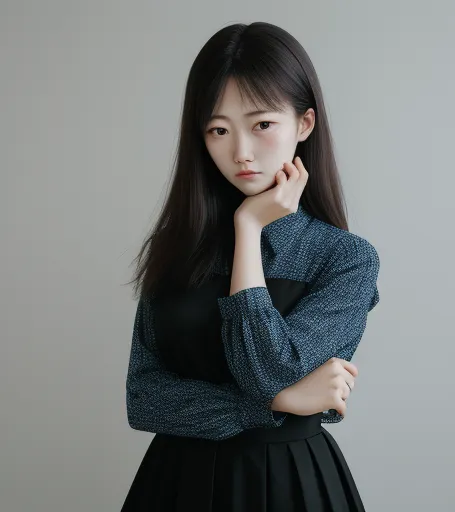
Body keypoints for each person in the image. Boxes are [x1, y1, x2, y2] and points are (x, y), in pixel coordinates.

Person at [120, 21, 380, 512]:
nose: (240, 152)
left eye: (262, 125)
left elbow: (267, 370)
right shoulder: (175, 249)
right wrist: (277, 404)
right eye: (218, 130)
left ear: (303, 124)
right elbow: (143, 398)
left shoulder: (345, 259)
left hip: (292, 484)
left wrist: (248, 229)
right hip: (175, 485)